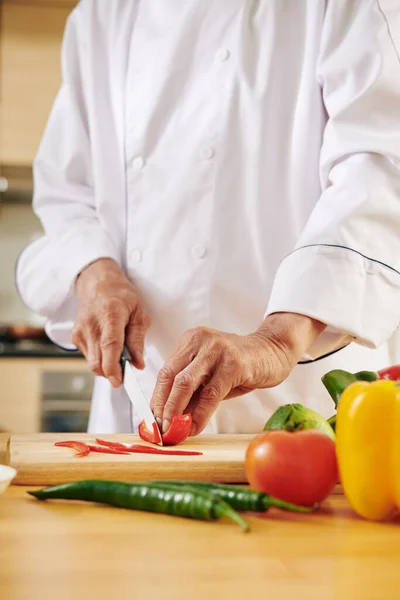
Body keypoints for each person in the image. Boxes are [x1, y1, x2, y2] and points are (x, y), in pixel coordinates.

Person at [16, 1, 400, 436]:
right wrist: (97, 276)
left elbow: (381, 173)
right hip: (135, 406)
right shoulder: (102, 15)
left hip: (304, 410)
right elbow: (67, 193)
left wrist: (277, 339)